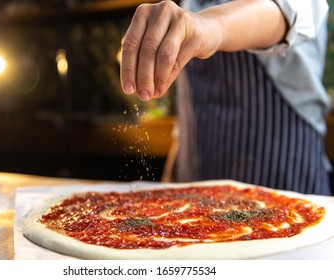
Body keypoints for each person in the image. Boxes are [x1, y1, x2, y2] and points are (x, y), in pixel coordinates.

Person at [120, 0, 332, 195]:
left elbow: (290, 10)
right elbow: (191, 107)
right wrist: (170, 175)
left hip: (280, 177)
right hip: (195, 178)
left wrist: (209, 24)